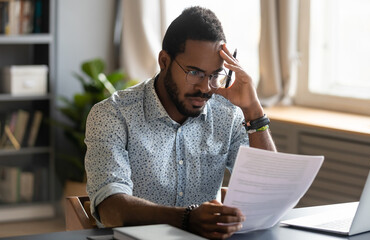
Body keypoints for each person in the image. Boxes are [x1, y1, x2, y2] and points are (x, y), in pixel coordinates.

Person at [84, 6, 276, 239]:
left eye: (215, 75)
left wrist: (253, 111)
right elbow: (110, 208)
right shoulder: (113, 115)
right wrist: (186, 218)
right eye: (194, 73)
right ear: (164, 61)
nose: (205, 88)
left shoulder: (228, 114)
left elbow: (268, 191)